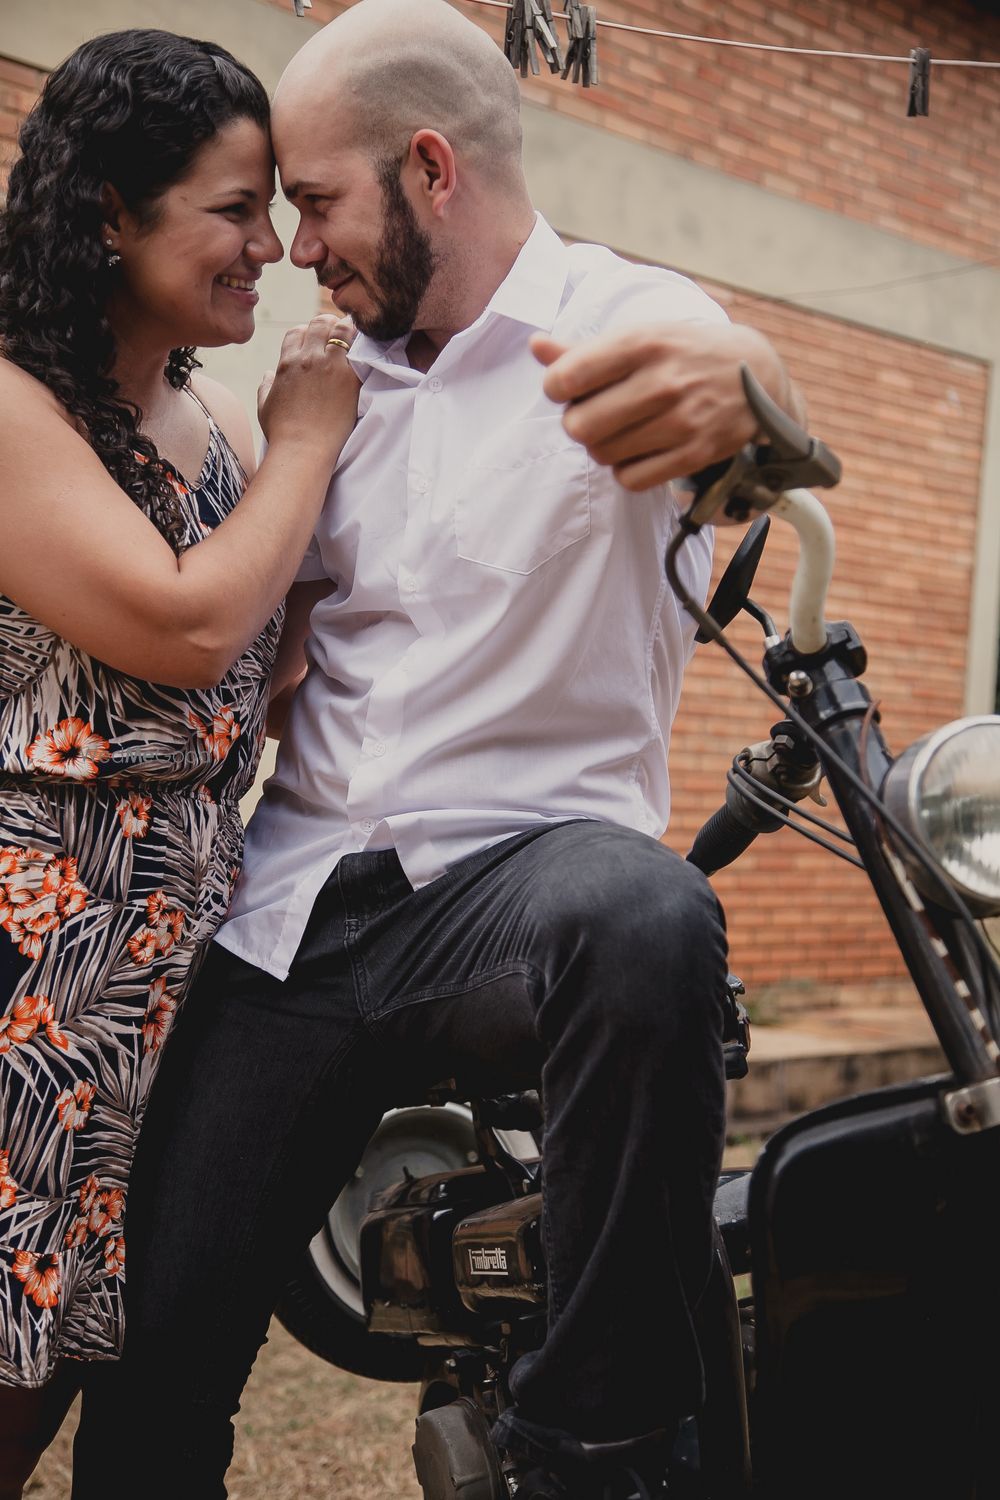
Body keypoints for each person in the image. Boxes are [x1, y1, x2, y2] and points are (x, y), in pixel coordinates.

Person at [73, 4, 804, 1497]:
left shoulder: (615, 322)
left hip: (519, 894)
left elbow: (737, 380)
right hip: (294, 918)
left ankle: (590, 1447)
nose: (296, 245)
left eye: (319, 202)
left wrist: (753, 386)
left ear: (430, 168)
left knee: (647, 914)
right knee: (156, 1366)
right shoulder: (322, 386)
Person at [0, 28, 360, 1498]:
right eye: (232, 208)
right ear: (107, 215)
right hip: (36, 960)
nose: (270, 246)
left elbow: (251, 677)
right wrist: (311, 446)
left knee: (65, 1353)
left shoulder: (205, 420)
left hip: (163, 963)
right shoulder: (15, 407)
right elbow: (184, 626)